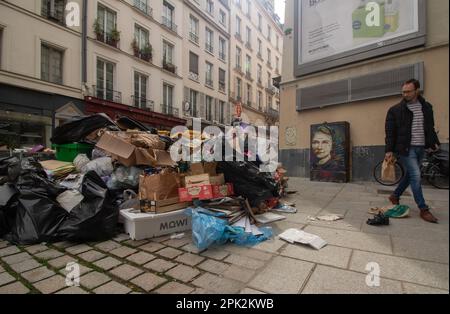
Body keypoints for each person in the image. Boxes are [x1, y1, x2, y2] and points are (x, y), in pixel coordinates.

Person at [385, 79, 440, 223]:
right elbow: (390, 132)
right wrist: (389, 150)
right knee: (416, 176)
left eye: (408, 91)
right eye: (403, 91)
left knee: (410, 176)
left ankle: (395, 195)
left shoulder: (426, 107)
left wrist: (434, 142)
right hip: (405, 148)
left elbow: (430, 128)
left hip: (421, 147)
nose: (405, 94)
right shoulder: (395, 110)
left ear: (417, 91)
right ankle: (423, 209)